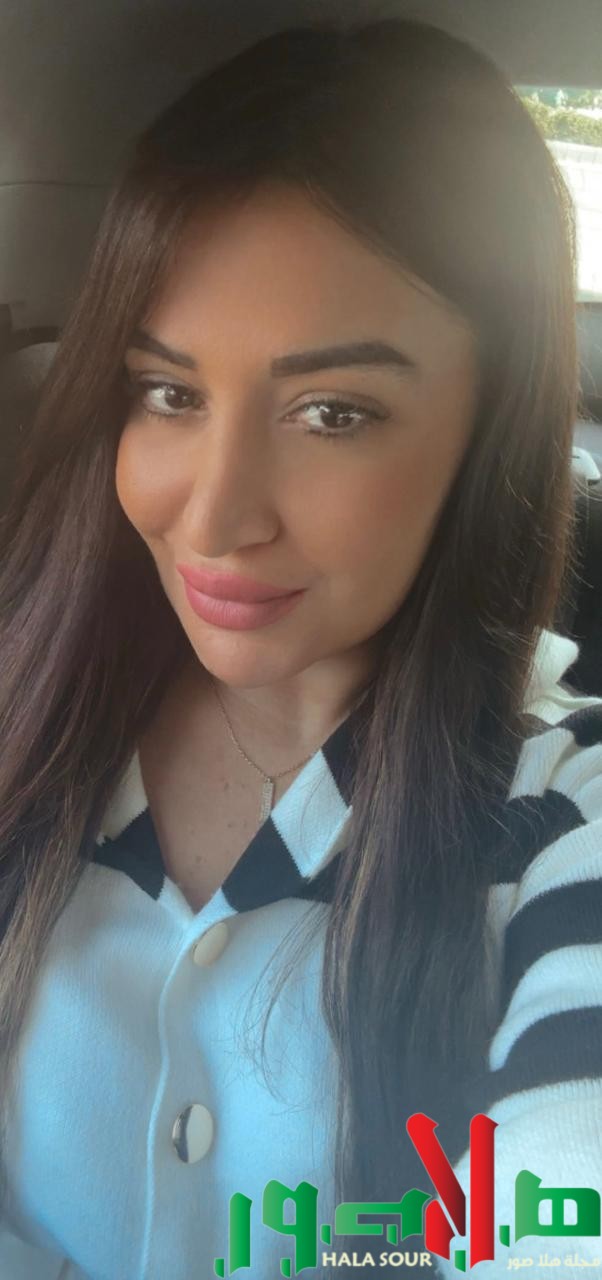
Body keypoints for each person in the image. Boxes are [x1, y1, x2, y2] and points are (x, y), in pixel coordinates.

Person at [0, 15, 601, 1280]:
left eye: (332, 412)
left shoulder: (561, 813)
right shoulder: (29, 714)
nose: (214, 517)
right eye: (169, 392)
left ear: (484, 435)